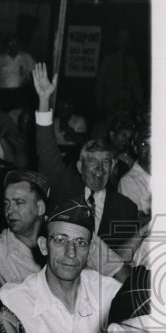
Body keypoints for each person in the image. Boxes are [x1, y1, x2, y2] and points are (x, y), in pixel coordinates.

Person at [0, 197, 121, 333]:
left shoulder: (109, 293)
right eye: (60, 240)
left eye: (80, 243)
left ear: (90, 251)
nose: (71, 253)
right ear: (44, 245)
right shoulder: (12, 302)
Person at [32, 63, 141, 259]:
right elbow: (47, 151)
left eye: (106, 162)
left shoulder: (126, 208)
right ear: (80, 166)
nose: (99, 168)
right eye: (92, 161)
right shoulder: (64, 189)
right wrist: (44, 99)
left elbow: (126, 259)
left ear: (114, 167)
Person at [0, 170, 50, 290]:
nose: (9, 211)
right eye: (6, 203)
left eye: (19, 203)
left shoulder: (67, 234)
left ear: (40, 208)